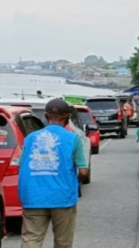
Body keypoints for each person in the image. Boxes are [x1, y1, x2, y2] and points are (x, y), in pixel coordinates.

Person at [18, 98, 89, 248]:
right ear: (67, 117)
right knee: (63, 241)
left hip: (33, 195)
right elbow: (83, 171)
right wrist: (75, 181)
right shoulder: (73, 138)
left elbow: (21, 165)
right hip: (63, 197)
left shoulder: (30, 138)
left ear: (45, 115)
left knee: (31, 238)